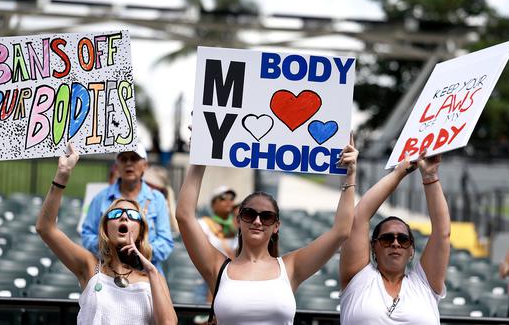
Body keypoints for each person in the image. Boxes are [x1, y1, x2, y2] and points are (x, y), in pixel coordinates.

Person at [176, 136, 358, 324]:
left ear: (276, 226)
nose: (257, 221)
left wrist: (349, 175)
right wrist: (198, 159)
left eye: (266, 217)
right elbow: (184, 216)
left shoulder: (291, 267)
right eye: (249, 214)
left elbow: (341, 231)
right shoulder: (217, 268)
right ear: (238, 220)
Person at [35, 144, 177, 324]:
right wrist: (62, 175)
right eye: (116, 214)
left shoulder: (154, 277)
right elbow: (45, 228)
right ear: (105, 228)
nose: (124, 217)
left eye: (132, 215)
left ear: (141, 230)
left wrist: (149, 268)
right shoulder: (90, 266)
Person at [339, 150, 450, 324]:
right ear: (374, 246)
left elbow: (442, 233)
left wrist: (430, 175)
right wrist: (398, 174)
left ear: (411, 250)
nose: (395, 244)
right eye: (387, 238)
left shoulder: (424, 284)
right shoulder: (359, 278)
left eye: (403, 240)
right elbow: (358, 218)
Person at [82, 143, 174, 274]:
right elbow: (87, 235)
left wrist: (139, 252)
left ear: (145, 166)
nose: (129, 163)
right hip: (110, 274)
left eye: (134, 158)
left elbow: (165, 242)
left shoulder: (156, 199)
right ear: (116, 166)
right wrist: (110, 248)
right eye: (123, 159)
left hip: (147, 276)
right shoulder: (101, 198)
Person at [199, 185, 238, 259]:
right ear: (213, 204)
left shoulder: (237, 226)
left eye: (232, 198)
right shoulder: (203, 224)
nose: (228, 201)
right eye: (223, 198)